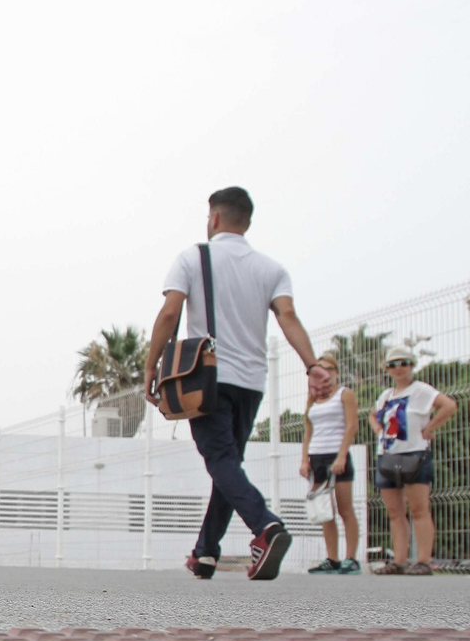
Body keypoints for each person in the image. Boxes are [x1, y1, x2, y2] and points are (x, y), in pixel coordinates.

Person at [143, 186, 326, 581]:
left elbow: (169, 313)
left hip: (206, 378)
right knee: (228, 465)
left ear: (214, 219)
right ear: (247, 221)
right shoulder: (271, 269)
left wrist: (151, 364)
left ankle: (265, 526)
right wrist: (311, 364)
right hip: (251, 383)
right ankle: (206, 551)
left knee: (222, 462)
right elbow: (288, 316)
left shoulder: (192, 257)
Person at [369, 345, 457, 575]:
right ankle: (399, 560)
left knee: (419, 508)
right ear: (387, 369)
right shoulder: (386, 395)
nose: (398, 368)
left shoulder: (421, 390)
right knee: (395, 511)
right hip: (388, 454)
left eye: (404, 363)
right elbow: (372, 414)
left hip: (414, 452)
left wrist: (430, 428)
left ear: (412, 366)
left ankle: (424, 560)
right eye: (393, 364)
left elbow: (448, 405)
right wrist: (378, 430)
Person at [299, 353, 360, 573]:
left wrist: (342, 455)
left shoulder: (345, 394)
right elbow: (308, 429)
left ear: (335, 373)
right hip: (317, 456)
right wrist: (304, 458)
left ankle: (351, 558)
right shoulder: (313, 398)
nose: (325, 374)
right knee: (325, 510)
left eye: (329, 370)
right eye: (320, 370)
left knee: (345, 508)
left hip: (337, 454)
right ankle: (331, 558)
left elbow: (352, 426)